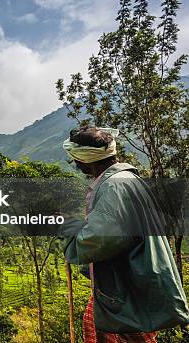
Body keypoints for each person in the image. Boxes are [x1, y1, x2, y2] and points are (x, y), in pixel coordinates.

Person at [59, 126, 189, 342]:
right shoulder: (125, 179)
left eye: (76, 157)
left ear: (87, 158)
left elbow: (99, 239)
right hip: (129, 283)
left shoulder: (115, 187)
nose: (75, 163)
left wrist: (67, 226)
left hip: (127, 290)